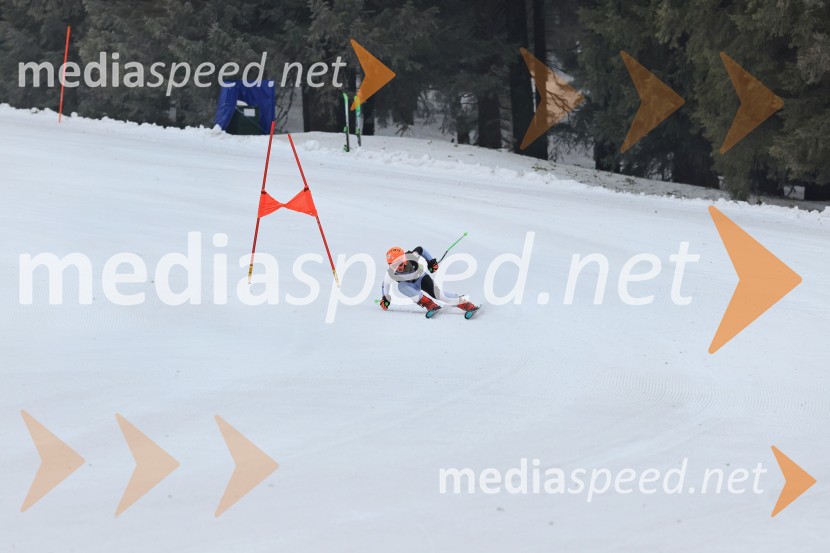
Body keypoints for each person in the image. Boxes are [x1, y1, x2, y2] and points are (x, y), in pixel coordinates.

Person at [379, 246, 478, 315]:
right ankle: (429, 304)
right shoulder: (391, 273)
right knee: (401, 287)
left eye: (400, 264)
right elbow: (385, 284)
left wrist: (431, 261)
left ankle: (464, 302)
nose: (398, 268)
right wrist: (385, 298)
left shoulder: (412, 256)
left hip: (421, 278)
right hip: (409, 286)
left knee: (440, 296)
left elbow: (420, 249)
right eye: (394, 266)